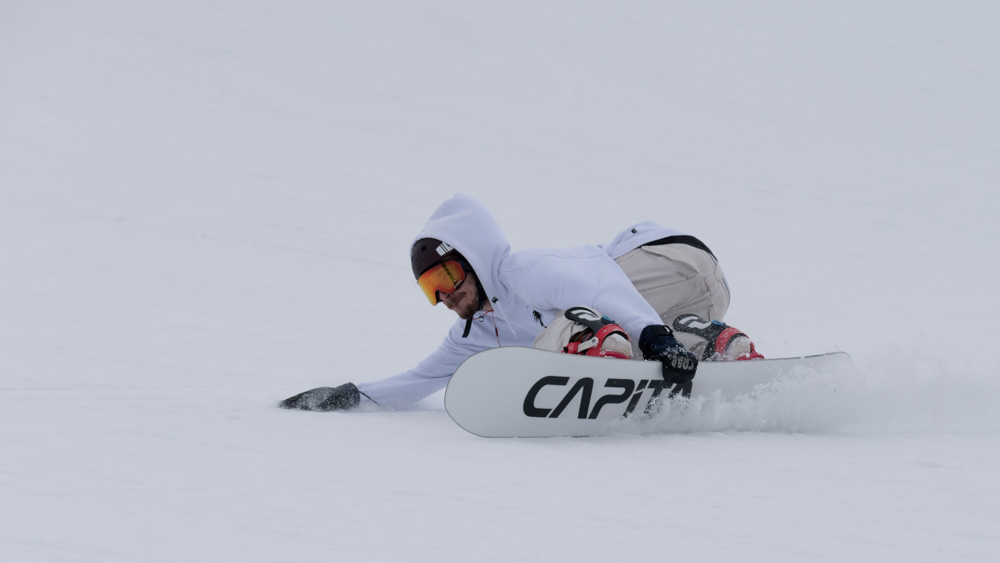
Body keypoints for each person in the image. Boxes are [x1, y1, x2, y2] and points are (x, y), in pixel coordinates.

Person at [279, 194, 761, 411]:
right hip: (700, 295)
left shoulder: (523, 271)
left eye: (447, 276)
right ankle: (709, 339)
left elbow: (600, 290)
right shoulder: (471, 335)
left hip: (663, 258)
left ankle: (603, 340)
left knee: (559, 336)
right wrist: (347, 395)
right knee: (622, 339)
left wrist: (650, 337)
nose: (445, 296)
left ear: (472, 256)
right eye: (431, 290)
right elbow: (418, 381)